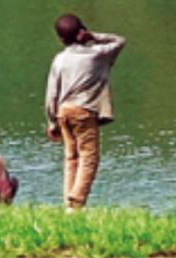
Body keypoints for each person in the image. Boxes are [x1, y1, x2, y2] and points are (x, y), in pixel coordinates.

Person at [44, 13, 126, 211]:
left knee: (71, 158)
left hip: (63, 111)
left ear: (60, 39)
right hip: (84, 111)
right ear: (82, 32)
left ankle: (68, 203)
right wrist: (94, 36)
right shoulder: (97, 55)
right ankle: (77, 202)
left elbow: (52, 93)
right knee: (89, 158)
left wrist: (51, 121)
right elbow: (120, 40)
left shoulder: (60, 59)